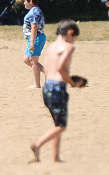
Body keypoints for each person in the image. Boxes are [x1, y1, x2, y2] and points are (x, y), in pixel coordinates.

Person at [30, 20, 85, 163]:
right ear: (70, 33)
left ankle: (55, 157)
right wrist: (72, 83)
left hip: (47, 87)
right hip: (58, 88)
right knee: (61, 126)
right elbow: (61, 68)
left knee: (57, 124)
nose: (74, 41)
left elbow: (47, 70)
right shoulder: (68, 47)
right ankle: (37, 145)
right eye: (75, 38)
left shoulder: (51, 47)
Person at [21, 0, 46, 88]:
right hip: (34, 38)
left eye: (25, 1)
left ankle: (37, 84)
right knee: (27, 60)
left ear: (30, 1)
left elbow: (34, 26)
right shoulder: (35, 10)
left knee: (33, 61)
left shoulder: (34, 12)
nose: (24, 3)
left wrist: (32, 42)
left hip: (37, 38)